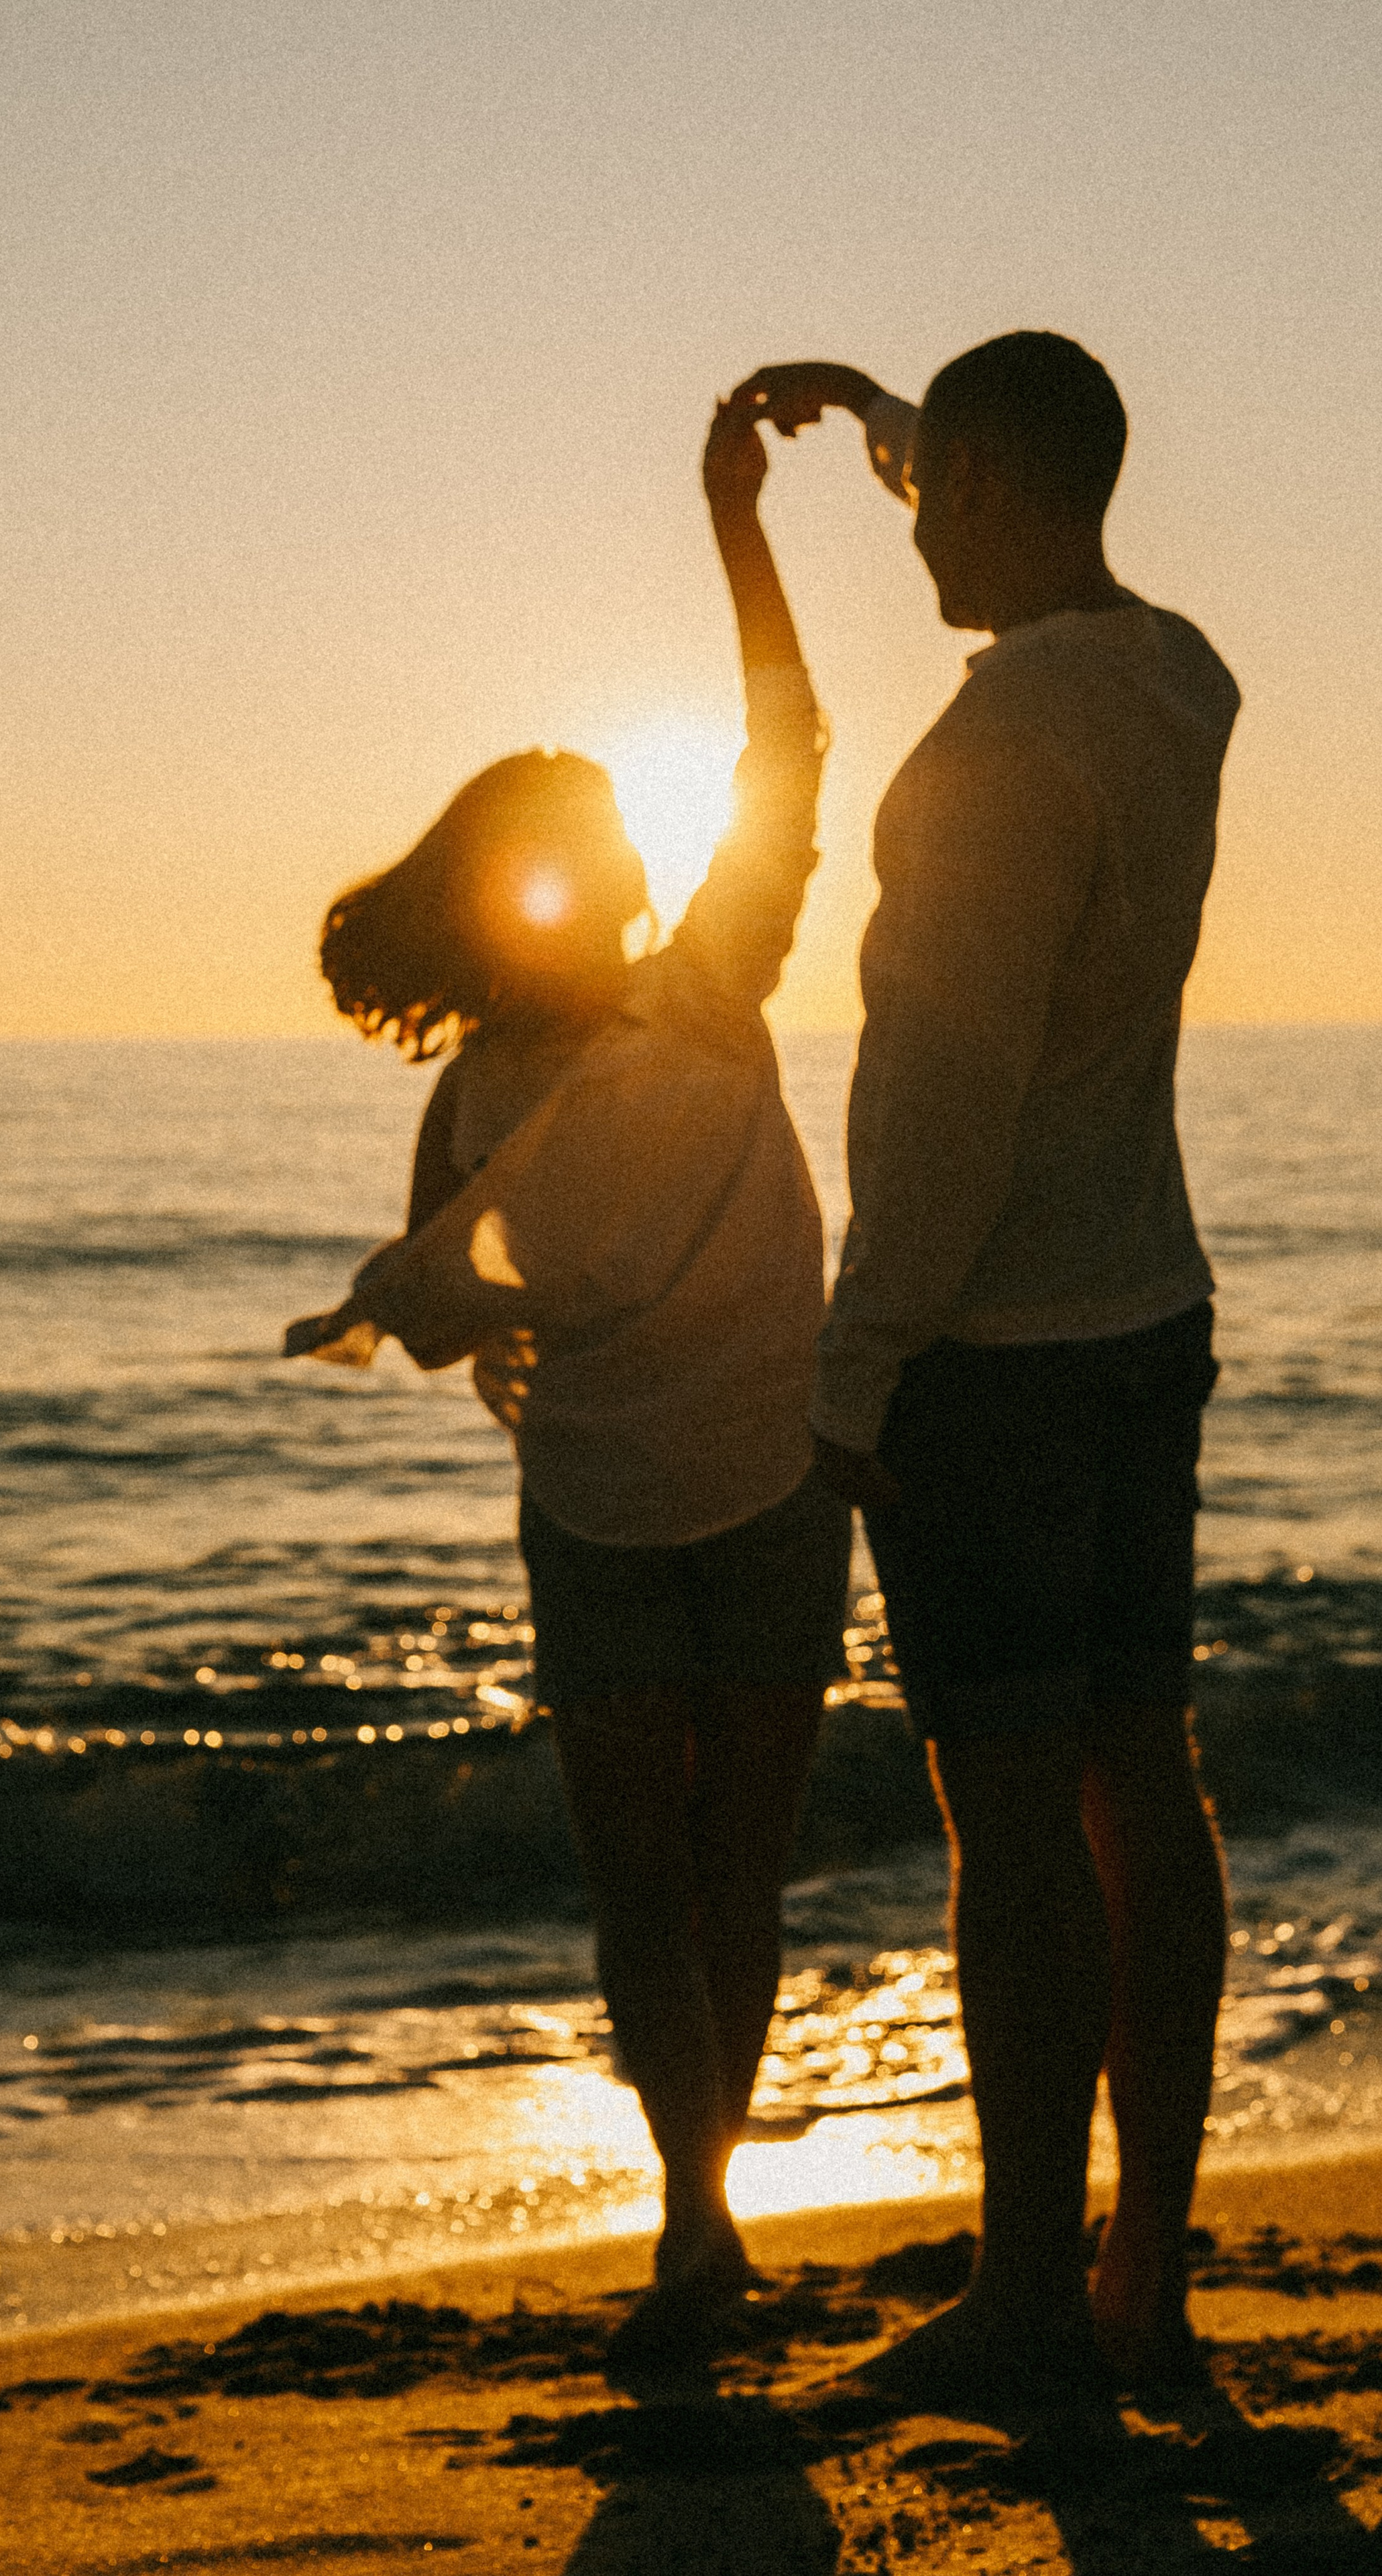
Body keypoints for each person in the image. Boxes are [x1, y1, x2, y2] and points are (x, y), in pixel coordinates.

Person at [285, 395, 851, 2371]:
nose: (628, 843)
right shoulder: (527, 1079)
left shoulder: (657, 1013)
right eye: (597, 827)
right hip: (687, 1495)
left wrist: (738, 528)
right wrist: (443, 1302)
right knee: (689, 1872)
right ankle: (701, 2212)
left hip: (728, 1488)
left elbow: (787, 746)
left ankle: (702, 2217)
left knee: (691, 1873)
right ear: (534, 875)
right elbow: (458, 1295)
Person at [736, 334, 1241, 2401]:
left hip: (996, 1361)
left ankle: (1028, 2299)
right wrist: (879, 414)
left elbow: (942, 1118)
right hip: (1147, 1314)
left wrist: (846, 1395)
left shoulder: (982, 768)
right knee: (1145, 1771)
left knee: (1013, 1816)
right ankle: (1144, 2276)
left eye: (939, 493)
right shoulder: (1177, 673)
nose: (915, 517)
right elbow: (1022, 505)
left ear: (1007, 493)